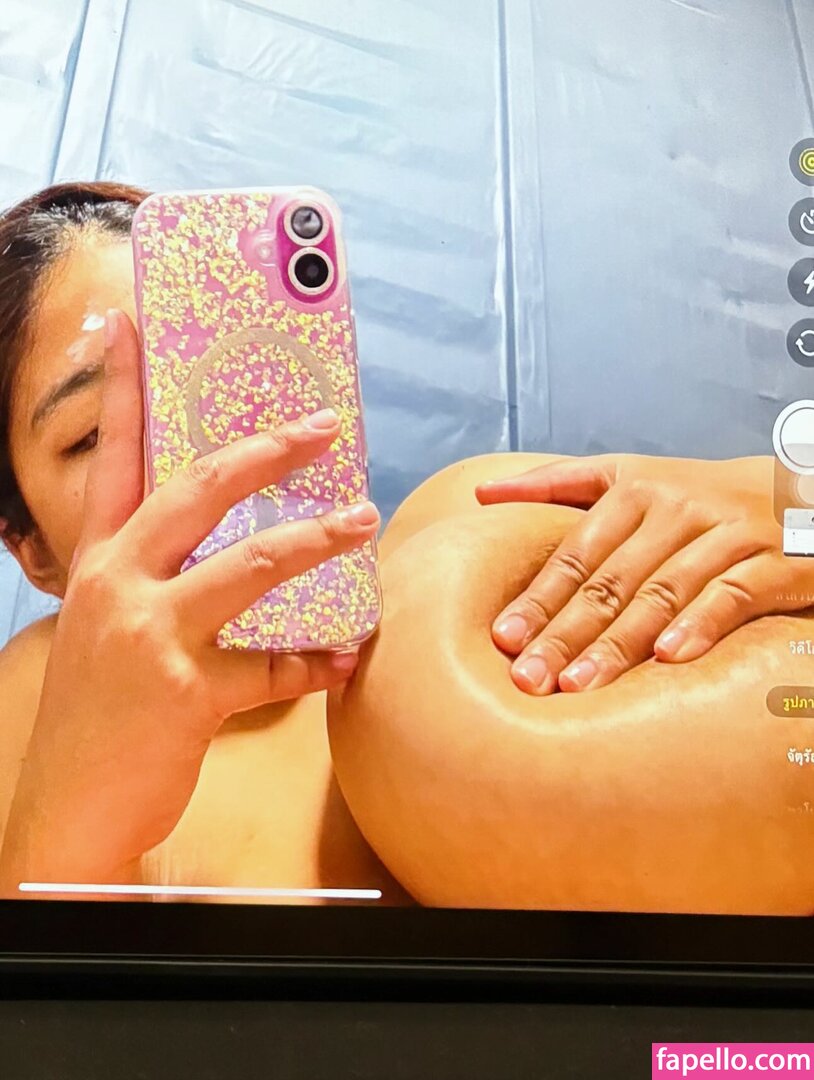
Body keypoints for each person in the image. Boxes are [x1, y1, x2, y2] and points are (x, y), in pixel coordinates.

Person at [0, 182, 812, 912]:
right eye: (95, 434)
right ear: (32, 551)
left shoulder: (473, 522)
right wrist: (76, 822)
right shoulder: (40, 697)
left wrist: (779, 493)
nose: (195, 460)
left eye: (202, 382)